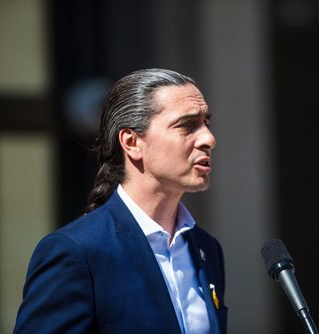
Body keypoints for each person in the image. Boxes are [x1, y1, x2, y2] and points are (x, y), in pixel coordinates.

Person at [13, 69, 227, 334]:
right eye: (187, 125)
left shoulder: (206, 249)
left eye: (206, 123)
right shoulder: (76, 251)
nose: (209, 139)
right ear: (131, 142)